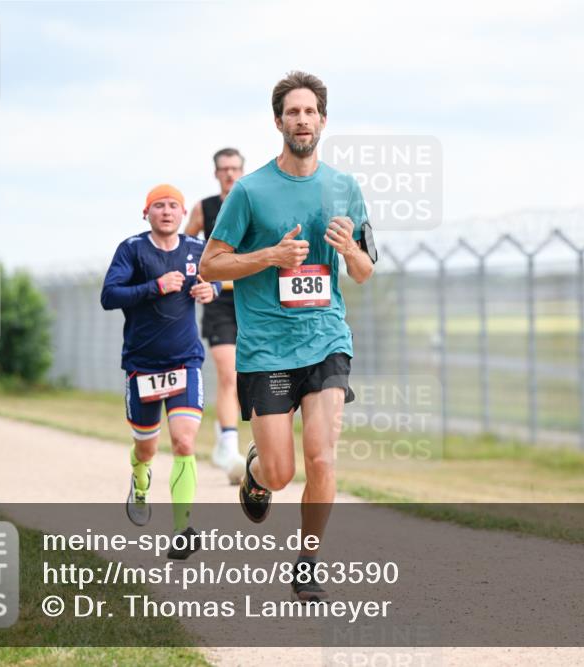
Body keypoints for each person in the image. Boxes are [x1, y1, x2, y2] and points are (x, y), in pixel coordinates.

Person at [200, 71, 375, 602]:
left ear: (323, 119)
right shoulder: (250, 191)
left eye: (310, 111)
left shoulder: (346, 188)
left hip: (325, 338)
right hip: (266, 347)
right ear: (278, 121)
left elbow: (366, 271)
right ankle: (256, 467)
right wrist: (271, 257)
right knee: (281, 474)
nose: (302, 120)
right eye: (292, 112)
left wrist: (348, 252)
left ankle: (308, 558)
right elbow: (211, 265)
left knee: (322, 458)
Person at [101, 184, 220, 560]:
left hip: (185, 360)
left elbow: (215, 278)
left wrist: (211, 290)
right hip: (142, 364)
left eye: (173, 206)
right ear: (146, 213)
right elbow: (110, 295)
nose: (166, 212)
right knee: (146, 447)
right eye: (159, 206)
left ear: (183, 214)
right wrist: (154, 286)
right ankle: (140, 479)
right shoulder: (132, 249)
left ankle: (182, 528)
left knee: (184, 442)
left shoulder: (196, 250)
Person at [184, 147, 247, 484]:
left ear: (243, 171)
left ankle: (243, 444)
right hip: (219, 300)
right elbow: (184, 246)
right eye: (224, 169)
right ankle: (228, 445)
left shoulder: (254, 203)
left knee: (252, 377)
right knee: (228, 374)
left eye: (235, 168)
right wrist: (195, 278)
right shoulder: (204, 209)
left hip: (253, 301)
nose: (230, 174)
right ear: (216, 173)